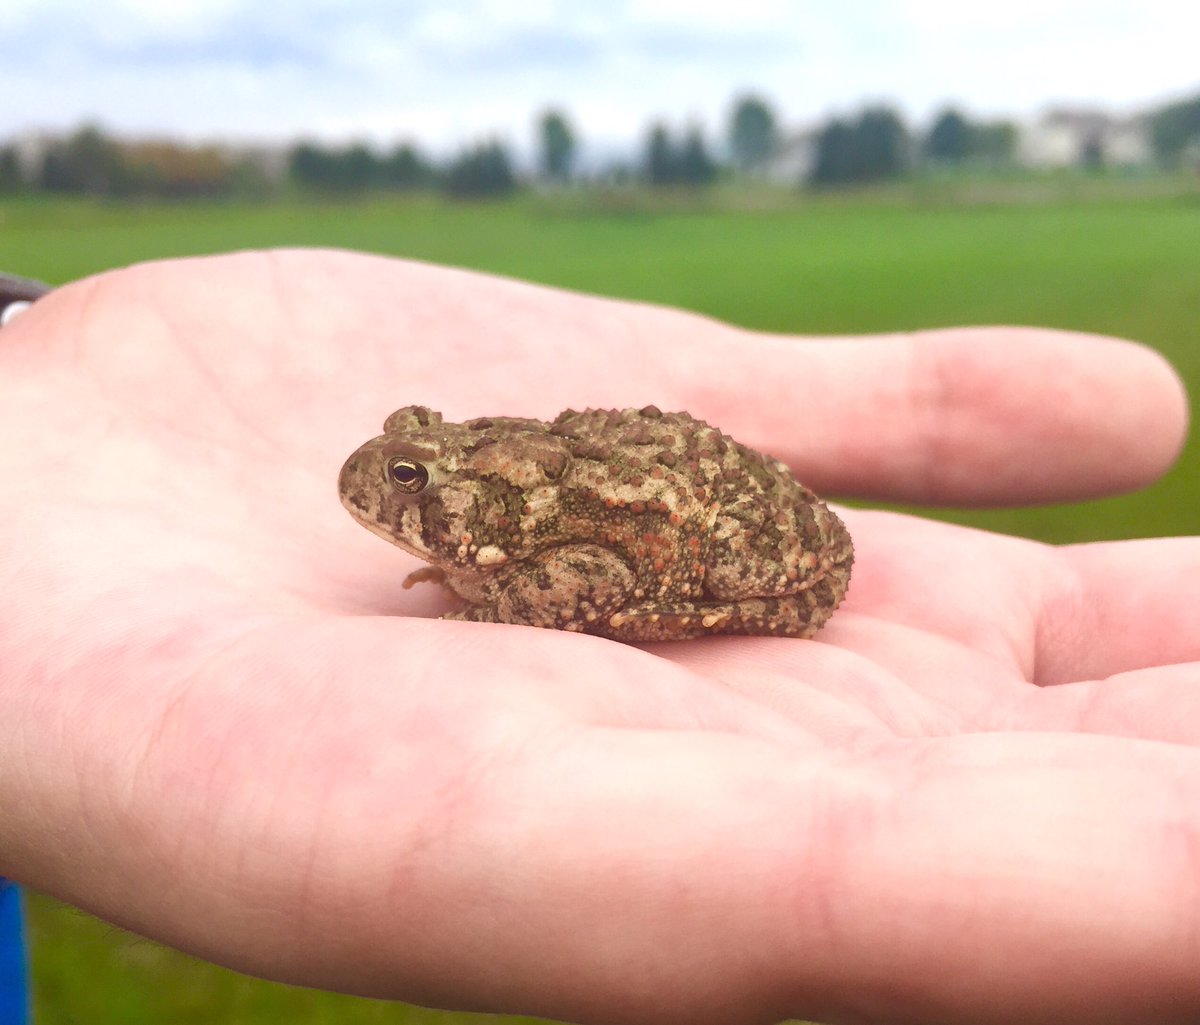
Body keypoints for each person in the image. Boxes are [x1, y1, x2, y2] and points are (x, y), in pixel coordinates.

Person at [0, 250, 1195, 1025]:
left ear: (473, 499)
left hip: (702, 527)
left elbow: (596, 571)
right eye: (407, 462)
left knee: (672, 557)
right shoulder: (501, 494)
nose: (385, 482)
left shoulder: (539, 536)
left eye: (414, 478)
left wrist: (492, 594)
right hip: (653, 483)